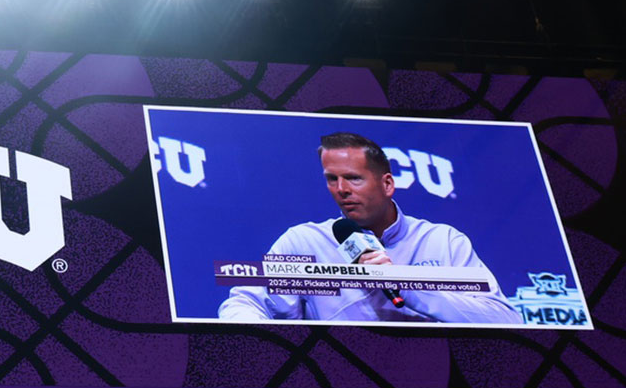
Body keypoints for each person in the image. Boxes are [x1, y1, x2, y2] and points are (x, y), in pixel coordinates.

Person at [217, 131, 518, 324]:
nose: (341, 189)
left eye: (353, 178)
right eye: (331, 179)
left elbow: (506, 320)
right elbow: (243, 303)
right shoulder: (305, 242)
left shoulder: (443, 241)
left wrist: (409, 288)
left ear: (387, 184)